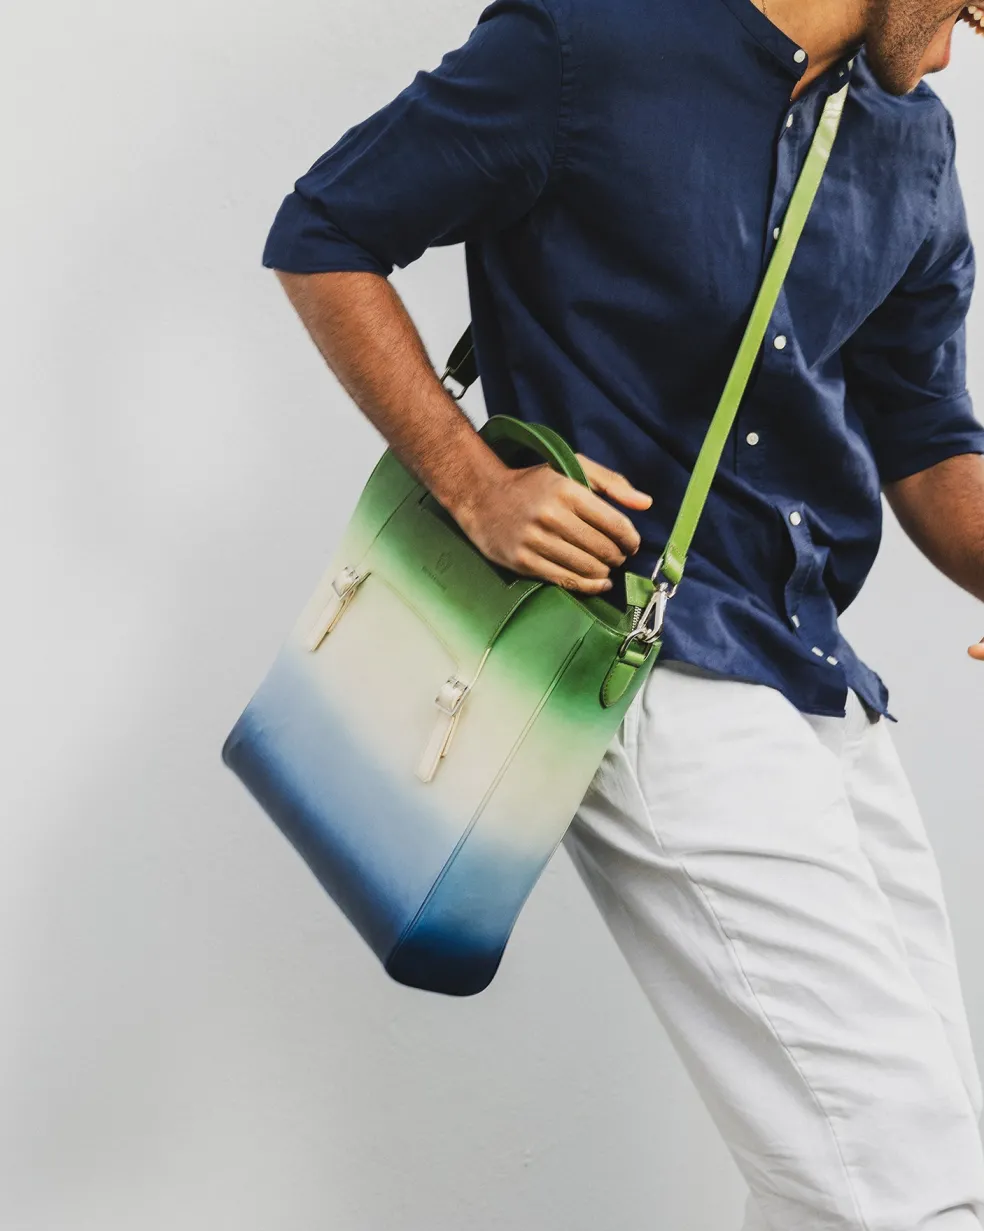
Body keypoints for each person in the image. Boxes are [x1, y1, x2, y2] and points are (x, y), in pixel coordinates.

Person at [260, 1, 984, 1225]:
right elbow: (324, 230)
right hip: (643, 664)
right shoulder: (587, 43)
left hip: (815, 671)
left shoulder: (909, 138)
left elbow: (926, 431)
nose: (973, 25)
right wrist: (474, 483)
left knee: (889, 1154)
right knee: (908, 1185)